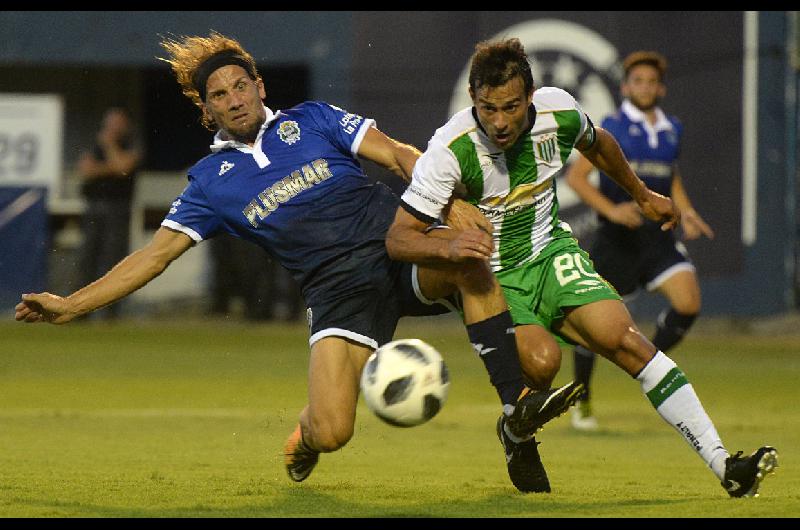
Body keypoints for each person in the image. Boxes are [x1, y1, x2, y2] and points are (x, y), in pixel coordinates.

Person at [14, 32, 581, 491]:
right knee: (333, 430)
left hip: (396, 250)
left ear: (259, 85)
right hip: (338, 296)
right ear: (206, 109)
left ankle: (516, 415)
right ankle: (304, 437)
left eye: (242, 85)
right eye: (220, 95)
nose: (235, 99)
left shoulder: (310, 119)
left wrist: (451, 204)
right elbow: (153, 258)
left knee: (468, 262)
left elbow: (398, 154)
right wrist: (70, 304)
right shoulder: (211, 184)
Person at [386, 38, 777, 497]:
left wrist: (641, 194)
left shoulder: (559, 112)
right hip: (494, 277)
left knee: (626, 340)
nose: (499, 122)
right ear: (473, 98)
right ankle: (515, 433)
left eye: (510, 107)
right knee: (542, 364)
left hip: (551, 252)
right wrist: (452, 248)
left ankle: (725, 464)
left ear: (530, 96)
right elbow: (398, 238)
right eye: (487, 108)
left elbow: (600, 144)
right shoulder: (450, 149)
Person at [564, 51, 715, 432]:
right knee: (590, 325)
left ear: (660, 88)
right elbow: (577, 178)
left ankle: (651, 366)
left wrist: (687, 209)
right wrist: (612, 212)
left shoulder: (672, 128)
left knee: (689, 302)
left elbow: (670, 177)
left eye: (651, 82)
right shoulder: (610, 127)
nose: (645, 88)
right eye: (638, 81)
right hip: (616, 241)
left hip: (656, 238)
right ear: (625, 87)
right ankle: (581, 400)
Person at [76, 107, 142, 319]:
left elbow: (123, 168)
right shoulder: (94, 145)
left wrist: (109, 147)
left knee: (113, 260)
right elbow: (86, 170)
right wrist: (110, 167)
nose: (111, 128)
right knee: (87, 259)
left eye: (116, 124)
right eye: (109, 123)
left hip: (117, 209)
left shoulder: (130, 144)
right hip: (94, 207)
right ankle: (80, 311)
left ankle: (110, 313)